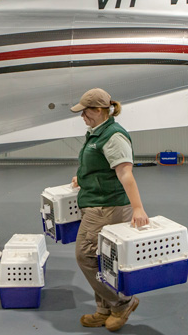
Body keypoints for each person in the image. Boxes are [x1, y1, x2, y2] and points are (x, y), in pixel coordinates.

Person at [70, 88, 149, 332]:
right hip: (94, 202)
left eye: (85, 111)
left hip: (107, 206)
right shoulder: (96, 133)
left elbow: (125, 173)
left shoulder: (113, 136)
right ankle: (103, 310)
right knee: (101, 259)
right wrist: (82, 178)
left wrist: (138, 208)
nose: (82, 115)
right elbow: (101, 167)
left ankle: (122, 302)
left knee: (85, 256)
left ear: (99, 110)